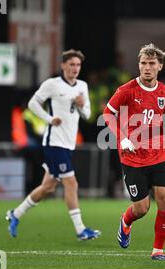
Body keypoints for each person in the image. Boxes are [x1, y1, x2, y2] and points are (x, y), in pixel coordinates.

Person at [6, 50, 101, 241]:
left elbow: (88, 115)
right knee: (71, 183)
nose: (75, 69)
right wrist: (49, 119)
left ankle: (15, 214)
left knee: (47, 188)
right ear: (63, 66)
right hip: (54, 143)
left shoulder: (82, 86)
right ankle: (80, 230)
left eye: (78, 65)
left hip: (68, 144)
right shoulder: (53, 84)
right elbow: (33, 104)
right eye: (72, 64)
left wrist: (82, 105)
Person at [103, 44, 165, 260]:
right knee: (142, 208)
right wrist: (123, 138)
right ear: (139, 65)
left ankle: (158, 250)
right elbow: (108, 114)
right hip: (133, 157)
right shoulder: (126, 90)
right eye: (143, 63)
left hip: (158, 155)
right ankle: (126, 221)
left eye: (151, 63)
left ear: (160, 66)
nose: (147, 67)